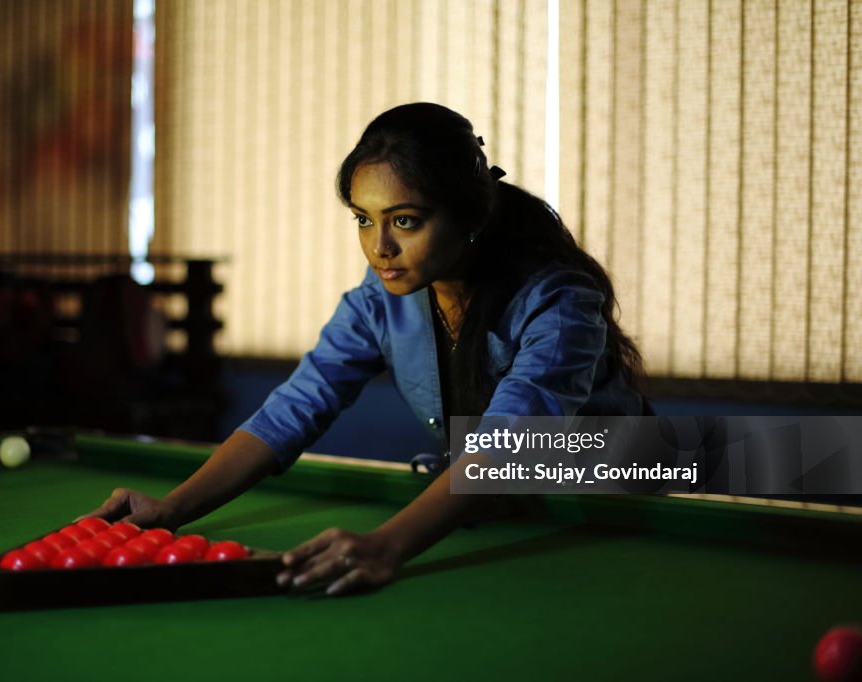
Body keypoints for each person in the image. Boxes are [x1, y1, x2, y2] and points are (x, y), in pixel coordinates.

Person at [81, 102, 648, 595]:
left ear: (469, 215)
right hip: (510, 497)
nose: (380, 247)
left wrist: (385, 545)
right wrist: (169, 511)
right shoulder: (378, 302)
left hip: (635, 494)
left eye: (405, 220)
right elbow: (294, 409)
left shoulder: (558, 296)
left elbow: (512, 441)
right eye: (363, 219)